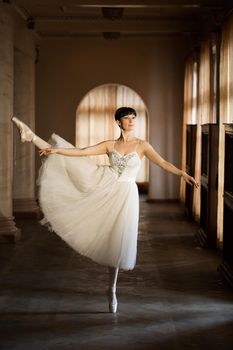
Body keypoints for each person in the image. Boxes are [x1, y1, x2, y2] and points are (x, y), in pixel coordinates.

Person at [12, 107, 198, 313]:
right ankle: (31, 136)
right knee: (68, 162)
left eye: (133, 118)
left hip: (126, 194)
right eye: (127, 118)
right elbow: (82, 152)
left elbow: (162, 162)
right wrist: (56, 150)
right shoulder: (110, 145)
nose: (131, 120)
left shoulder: (142, 145)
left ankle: (112, 289)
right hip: (103, 182)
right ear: (118, 122)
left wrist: (182, 173)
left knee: (118, 241)